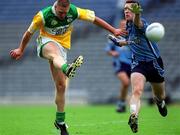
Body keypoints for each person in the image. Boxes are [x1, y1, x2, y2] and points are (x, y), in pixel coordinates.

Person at [9, 0, 126, 135]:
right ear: (56, 5)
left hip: (63, 47)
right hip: (46, 42)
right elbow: (28, 33)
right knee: (54, 54)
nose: (63, 15)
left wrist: (114, 30)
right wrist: (20, 49)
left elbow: (94, 19)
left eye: (65, 12)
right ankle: (67, 68)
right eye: (60, 12)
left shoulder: (74, 11)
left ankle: (60, 122)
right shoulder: (42, 15)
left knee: (61, 87)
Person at [108, 0, 167, 133]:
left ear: (136, 11)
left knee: (160, 95)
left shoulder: (140, 22)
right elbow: (133, 40)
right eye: (125, 9)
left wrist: (137, 14)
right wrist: (120, 43)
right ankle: (134, 115)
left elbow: (138, 23)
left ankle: (159, 102)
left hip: (154, 63)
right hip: (138, 64)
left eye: (129, 9)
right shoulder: (128, 25)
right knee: (137, 91)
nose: (126, 11)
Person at [105, 20, 132, 113]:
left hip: (132, 63)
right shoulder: (115, 36)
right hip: (120, 63)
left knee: (128, 85)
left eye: (126, 25)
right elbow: (108, 50)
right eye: (123, 26)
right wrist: (113, 53)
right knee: (125, 82)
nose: (125, 27)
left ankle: (122, 103)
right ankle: (121, 103)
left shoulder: (132, 36)